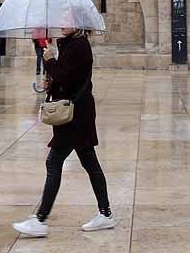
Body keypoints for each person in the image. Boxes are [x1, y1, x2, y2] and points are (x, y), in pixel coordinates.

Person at [12, 28, 114, 238]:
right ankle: (105, 214)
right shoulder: (70, 44)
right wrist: (51, 83)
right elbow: (67, 77)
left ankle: (40, 219)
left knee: (54, 162)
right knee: (90, 162)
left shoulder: (79, 46)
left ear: (80, 23)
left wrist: (49, 61)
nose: (64, 23)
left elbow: (66, 77)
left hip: (76, 116)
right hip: (78, 113)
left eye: (69, 19)